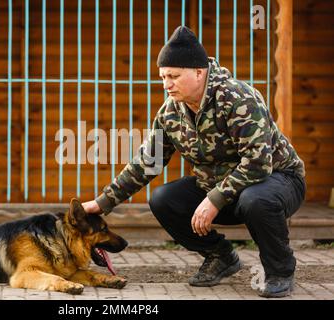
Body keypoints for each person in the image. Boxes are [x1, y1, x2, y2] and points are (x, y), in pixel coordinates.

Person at [82, 26, 305, 298]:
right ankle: (221, 257)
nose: (166, 84)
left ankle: (280, 269)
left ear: (200, 73)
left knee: (255, 200)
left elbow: (258, 162)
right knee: (163, 199)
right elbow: (147, 162)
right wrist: (104, 202)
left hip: (278, 181)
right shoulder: (170, 112)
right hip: (221, 189)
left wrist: (214, 199)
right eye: (163, 77)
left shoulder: (237, 99)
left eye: (174, 76)